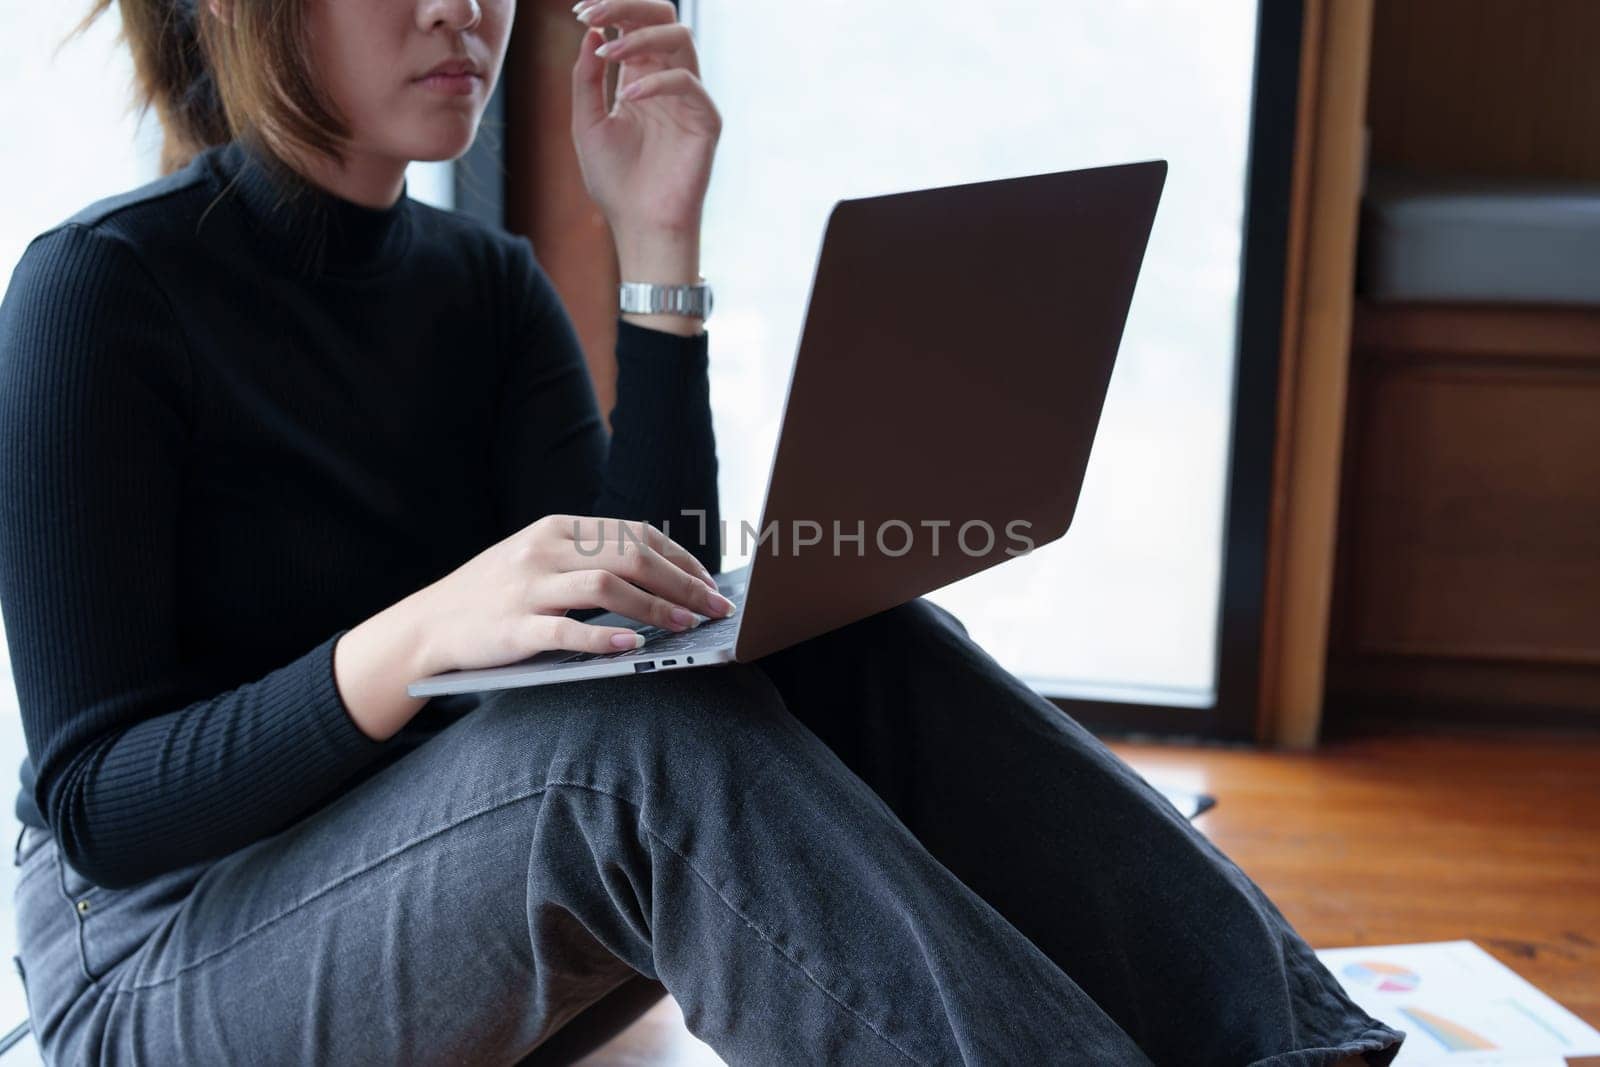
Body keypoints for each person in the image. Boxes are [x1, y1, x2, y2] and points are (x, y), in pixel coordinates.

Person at [0, 0, 1407, 1063]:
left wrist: (656, 243)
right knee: (621, 765)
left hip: (411, 861)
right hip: (155, 956)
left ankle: (1310, 1052)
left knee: (866, 644)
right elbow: (103, 807)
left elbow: (652, 631)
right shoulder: (99, 294)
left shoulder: (481, 291)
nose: (462, 10)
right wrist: (420, 637)